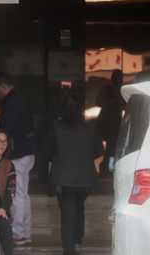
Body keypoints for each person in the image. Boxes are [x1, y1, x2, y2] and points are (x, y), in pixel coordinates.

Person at [0, 72, 36, 246]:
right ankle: (25, 233)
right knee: (23, 195)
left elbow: (4, 129)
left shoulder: (13, 102)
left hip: (18, 154)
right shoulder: (20, 99)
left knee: (17, 195)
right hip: (28, 152)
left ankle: (18, 234)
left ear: (3, 86)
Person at [44, 94, 104, 255]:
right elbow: (99, 151)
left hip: (64, 181)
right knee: (79, 208)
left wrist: (61, 158)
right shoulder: (91, 128)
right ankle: (78, 242)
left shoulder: (56, 128)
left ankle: (69, 250)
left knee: (68, 215)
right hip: (86, 180)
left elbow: (46, 153)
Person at [95, 69, 124, 175]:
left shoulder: (121, 90)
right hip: (107, 121)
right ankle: (105, 167)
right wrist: (112, 101)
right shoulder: (106, 89)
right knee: (110, 145)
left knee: (113, 145)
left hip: (116, 121)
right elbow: (98, 102)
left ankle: (107, 166)